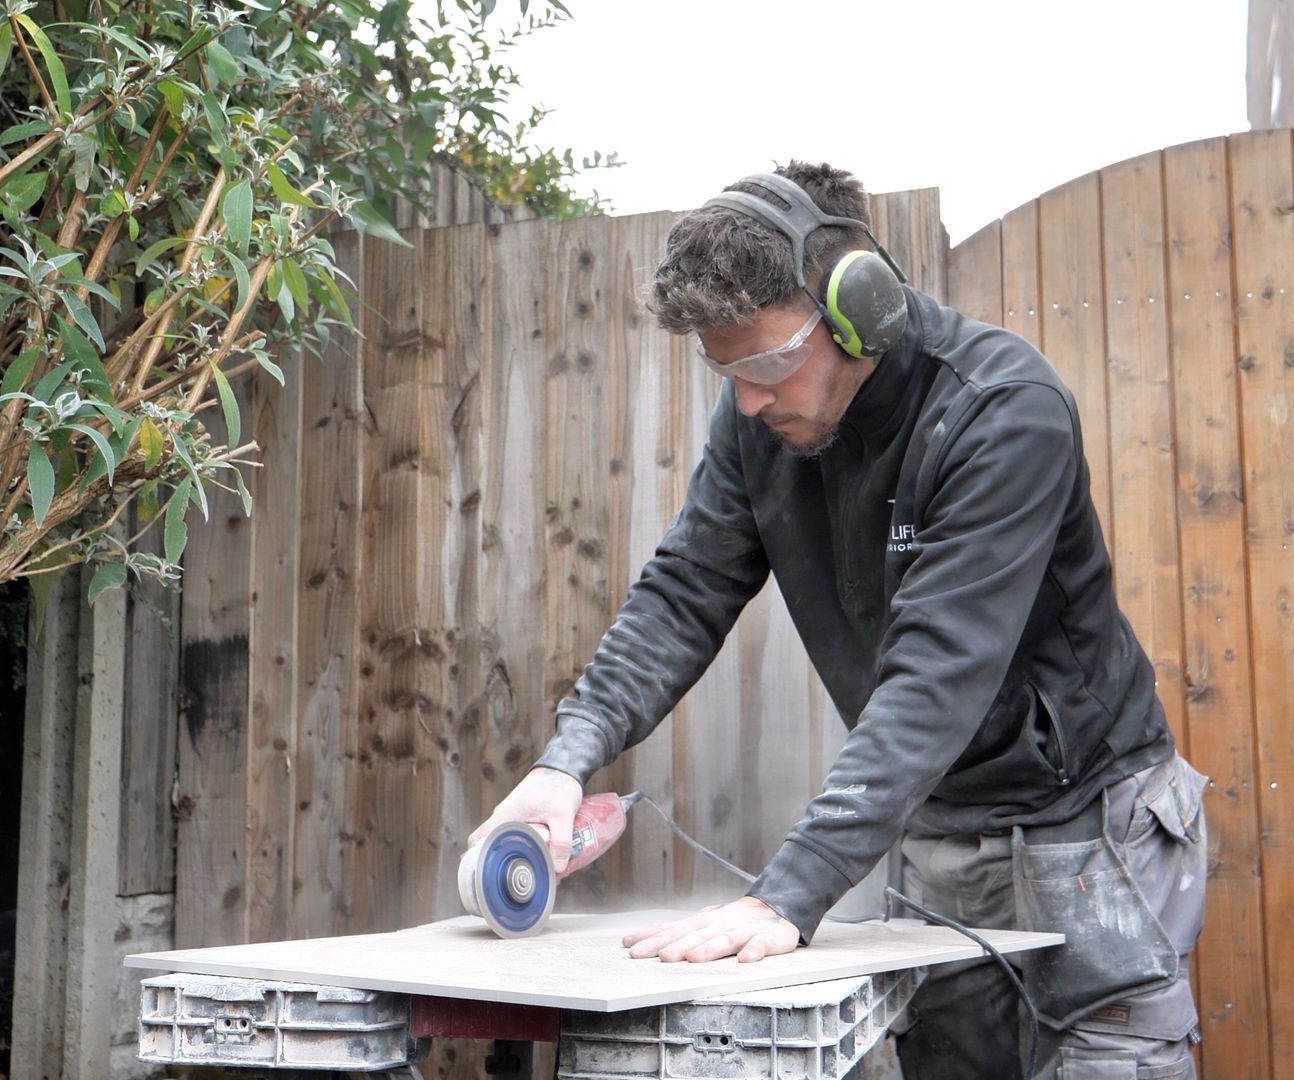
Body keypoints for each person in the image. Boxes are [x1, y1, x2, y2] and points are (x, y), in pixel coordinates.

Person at [467, 162, 1208, 1079]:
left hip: (1091, 823)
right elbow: (683, 592)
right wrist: (562, 763)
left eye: (769, 363)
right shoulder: (759, 426)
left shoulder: (1002, 414)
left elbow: (936, 682)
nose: (746, 399)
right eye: (723, 368)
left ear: (864, 307)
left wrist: (786, 898)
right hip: (939, 823)